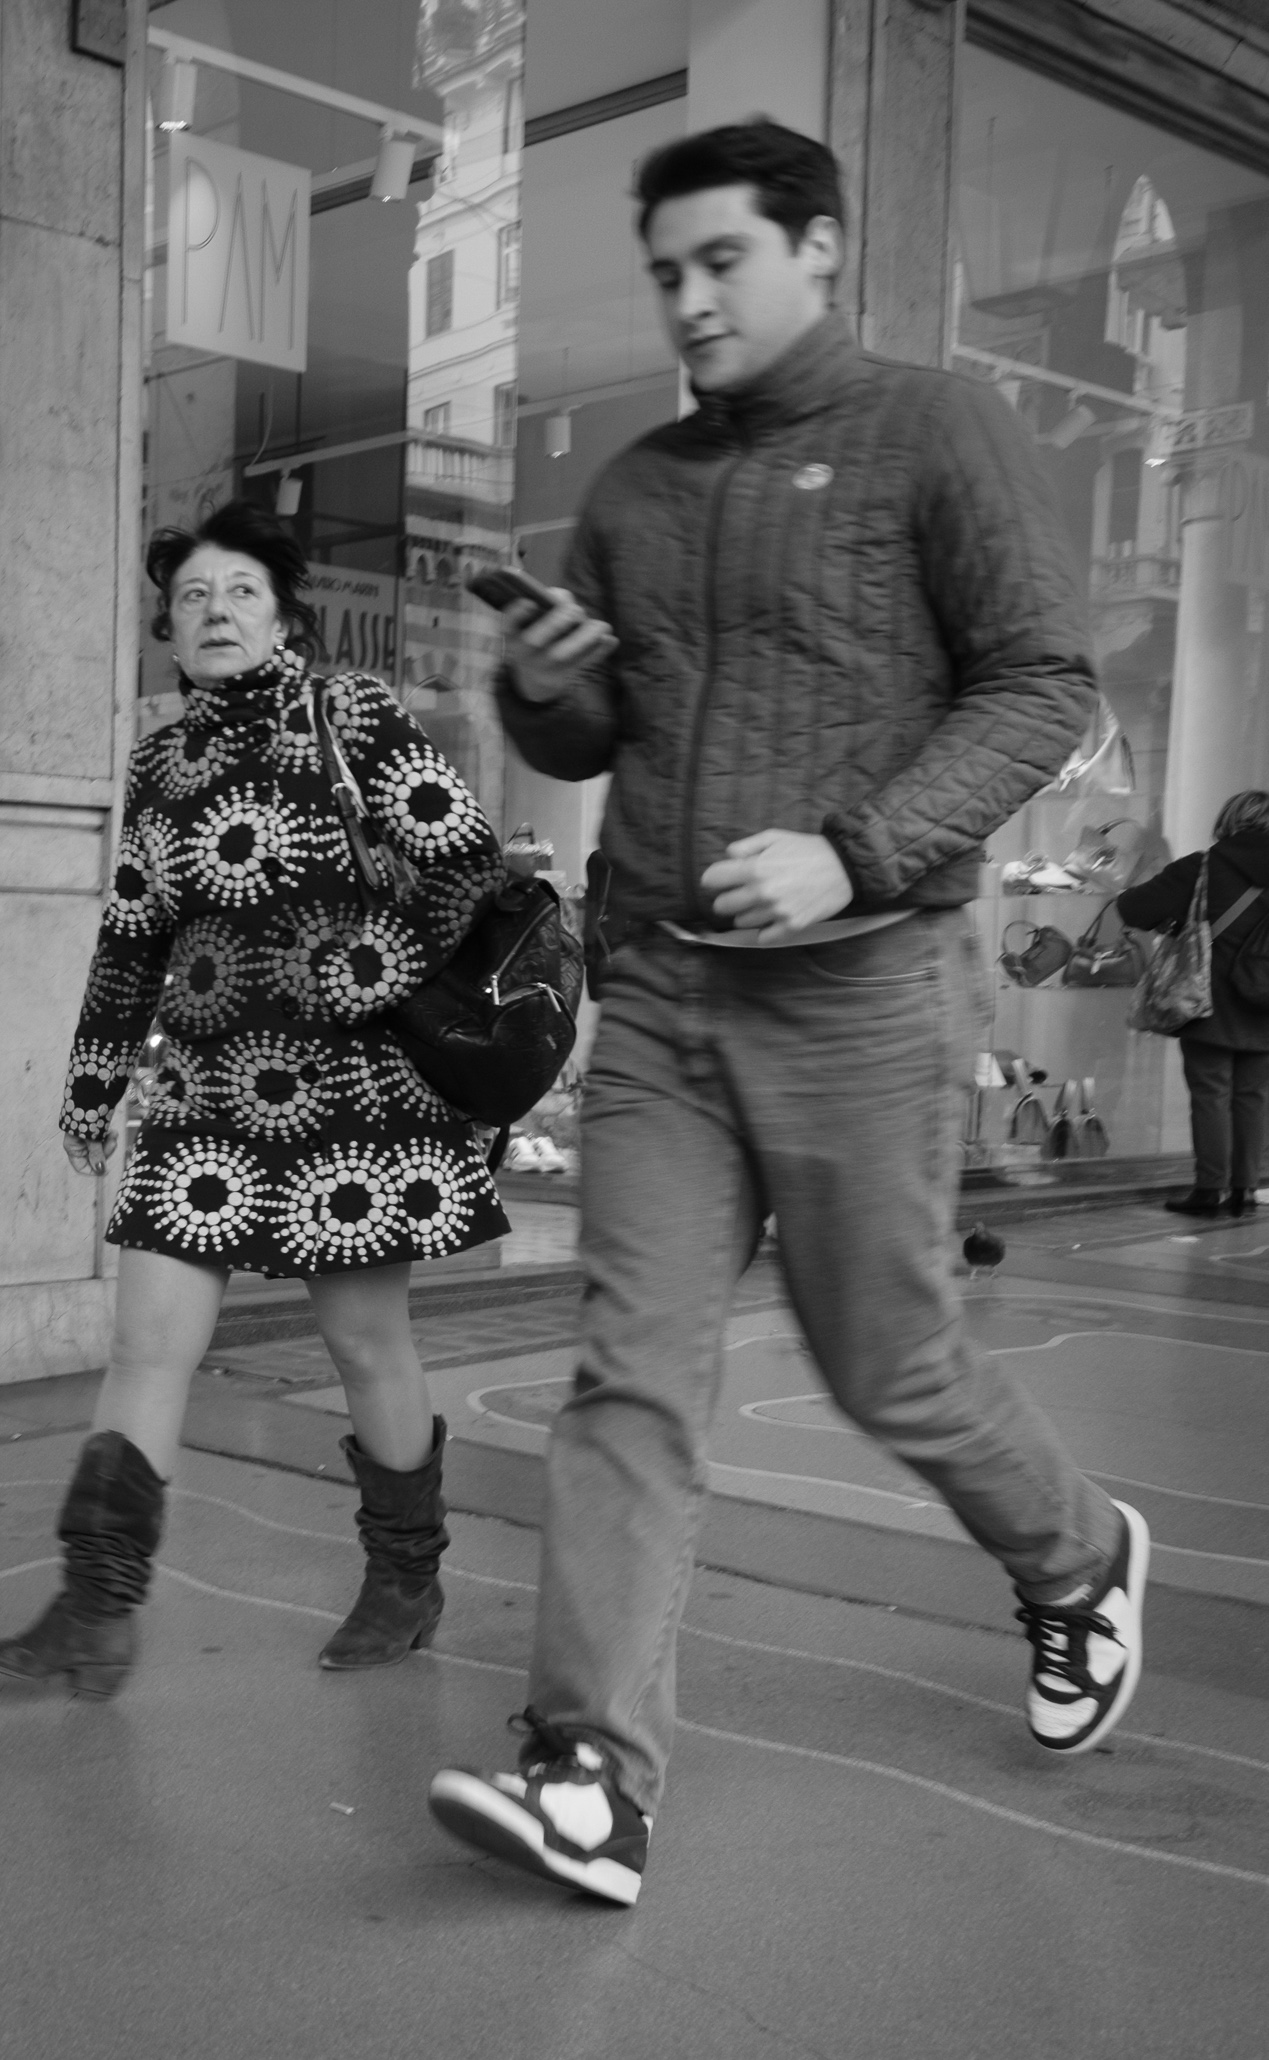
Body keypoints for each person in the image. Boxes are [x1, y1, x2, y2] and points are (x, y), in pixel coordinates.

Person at [426, 120, 1148, 1907]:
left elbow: (1041, 684)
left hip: (860, 986)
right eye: (664, 272)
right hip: (663, 989)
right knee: (631, 1375)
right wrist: (542, 693)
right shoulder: (634, 486)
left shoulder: (933, 432)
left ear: (818, 249)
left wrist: (857, 854)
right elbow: (595, 742)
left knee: (885, 1363)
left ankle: (1072, 1560)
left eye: (720, 262)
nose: (686, 301)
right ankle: (588, 1769)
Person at [0, 501, 508, 1696]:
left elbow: (466, 860)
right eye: (194, 598)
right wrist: (92, 1082)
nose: (215, 612)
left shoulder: (349, 713)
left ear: (284, 614)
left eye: (240, 592)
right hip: (204, 1087)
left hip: (353, 1086)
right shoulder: (163, 758)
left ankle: (404, 1577)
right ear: (168, 626)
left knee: (366, 1346)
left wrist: (378, 976)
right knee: (145, 1343)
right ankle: (94, 1608)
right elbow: (132, 933)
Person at [1118, 789, 1269, 1216]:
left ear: (1231, 820)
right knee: (1254, 1097)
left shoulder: (1205, 866)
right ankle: (1245, 1191)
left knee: (1211, 1095)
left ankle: (1209, 1192)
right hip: (1265, 1007)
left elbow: (1132, 908)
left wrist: (1178, 920)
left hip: (1206, 1002)